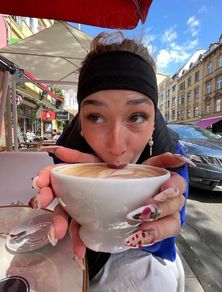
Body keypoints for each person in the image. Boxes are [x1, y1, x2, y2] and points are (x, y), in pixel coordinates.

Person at [30, 32, 193, 291]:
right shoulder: (67, 152)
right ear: (81, 123)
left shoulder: (171, 157)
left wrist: (155, 230)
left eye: (136, 116)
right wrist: (64, 206)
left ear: (154, 122)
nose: (116, 146)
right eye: (96, 117)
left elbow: (172, 223)